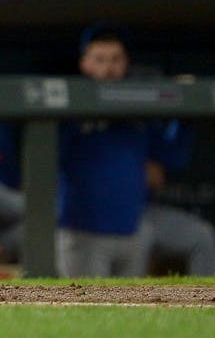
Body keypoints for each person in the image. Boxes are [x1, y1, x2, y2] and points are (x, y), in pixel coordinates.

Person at [57, 24, 192, 278]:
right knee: (84, 310)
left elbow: (171, 156)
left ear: (126, 63)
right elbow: (50, 159)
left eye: (115, 60)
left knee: (130, 311)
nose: (108, 68)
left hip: (132, 229)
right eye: (99, 60)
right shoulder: (70, 110)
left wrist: (184, 117)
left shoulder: (137, 112)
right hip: (84, 231)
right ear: (84, 64)